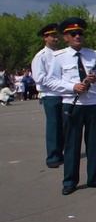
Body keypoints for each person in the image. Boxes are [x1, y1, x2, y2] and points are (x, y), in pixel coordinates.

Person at [45, 17, 96, 195]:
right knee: (72, 144)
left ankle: (94, 177)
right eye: (73, 33)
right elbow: (50, 80)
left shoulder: (93, 54)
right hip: (72, 104)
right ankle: (70, 181)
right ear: (65, 37)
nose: (77, 36)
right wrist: (72, 87)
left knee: (93, 143)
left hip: (93, 104)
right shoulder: (58, 57)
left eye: (80, 33)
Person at [31, 23, 65, 168]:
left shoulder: (59, 54)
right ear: (45, 38)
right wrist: (58, 84)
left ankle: (60, 153)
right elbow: (39, 78)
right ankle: (52, 157)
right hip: (50, 94)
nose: (55, 38)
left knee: (63, 125)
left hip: (63, 93)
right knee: (53, 125)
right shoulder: (41, 56)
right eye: (52, 36)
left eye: (56, 36)